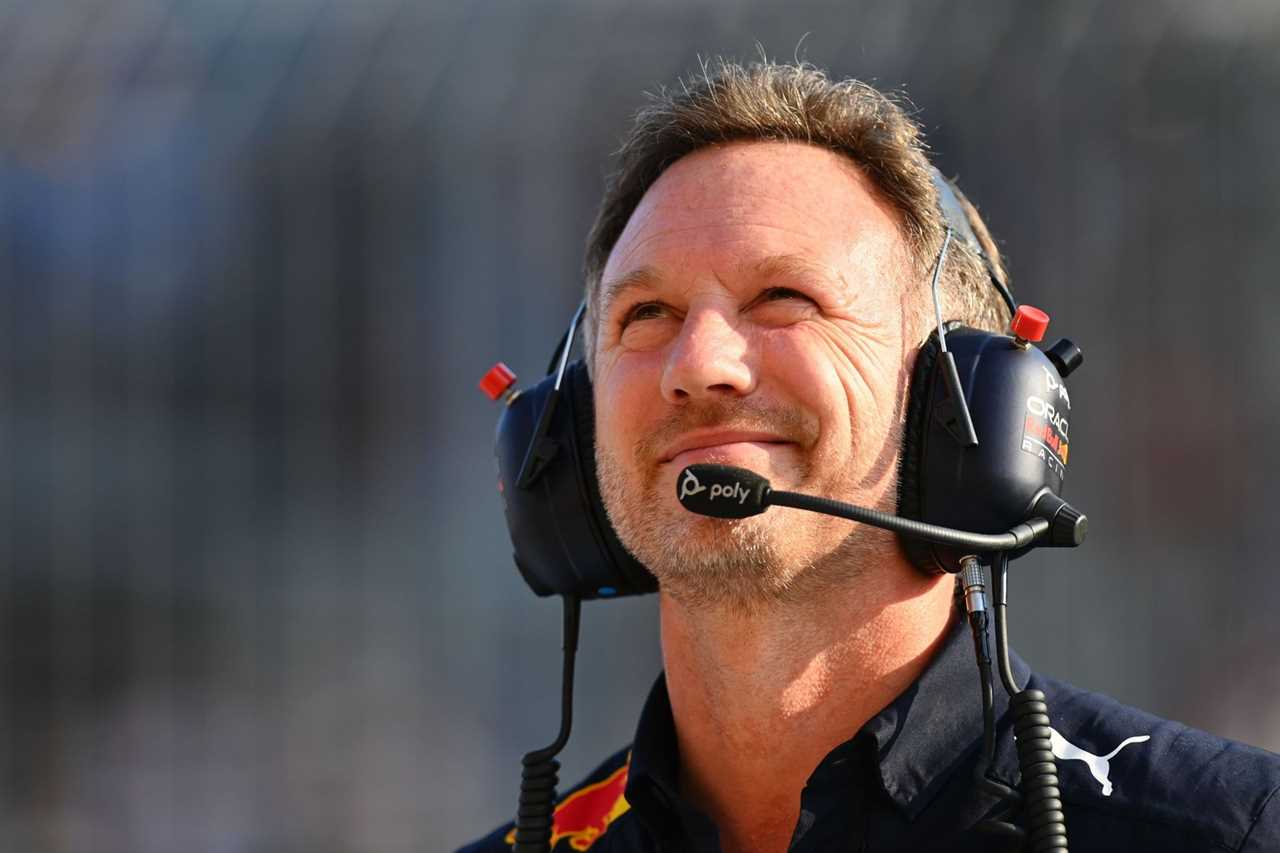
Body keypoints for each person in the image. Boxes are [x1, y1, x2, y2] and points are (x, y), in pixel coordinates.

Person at [460, 60, 1280, 852]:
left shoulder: (1230, 830)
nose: (696, 364)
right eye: (646, 314)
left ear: (964, 409)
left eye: (784, 299)